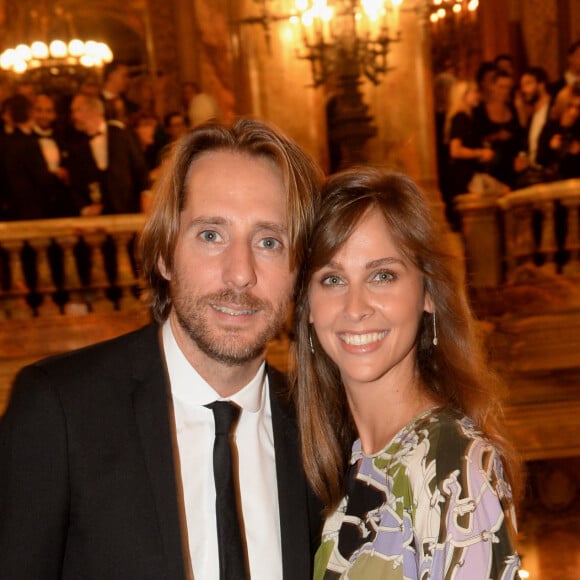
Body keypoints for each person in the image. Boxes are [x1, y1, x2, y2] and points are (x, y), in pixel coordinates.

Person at [0, 118, 323, 579]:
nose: (240, 274)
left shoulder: (317, 427)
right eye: (211, 235)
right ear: (164, 254)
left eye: (269, 242)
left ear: (298, 271)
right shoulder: (60, 412)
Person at [292, 168, 522, 579]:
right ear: (308, 307)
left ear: (428, 294)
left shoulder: (453, 465)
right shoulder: (338, 462)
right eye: (332, 279)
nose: (356, 306)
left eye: (382, 275)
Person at [67, 93, 150, 215]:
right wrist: (85, 209)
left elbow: (140, 170)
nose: (73, 116)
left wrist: (146, 197)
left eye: (77, 110)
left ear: (93, 110)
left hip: (129, 211)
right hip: (97, 221)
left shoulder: (123, 135)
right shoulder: (76, 146)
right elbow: (74, 184)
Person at [443, 80, 495, 229]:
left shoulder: (466, 118)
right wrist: (480, 153)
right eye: (474, 92)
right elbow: (455, 150)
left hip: (466, 175)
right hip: (464, 178)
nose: (477, 95)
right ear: (463, 96)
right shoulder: (460, 118)